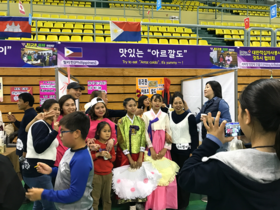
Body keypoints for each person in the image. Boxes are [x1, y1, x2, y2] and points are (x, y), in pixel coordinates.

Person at [179, 79, 280, 210]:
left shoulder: (223, 166)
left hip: (217, 143)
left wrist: (210, 142)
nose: (205, 89)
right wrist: (250, 143)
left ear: (247, 116)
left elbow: (186, 177)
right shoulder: (206, 104)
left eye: (239, 112)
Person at [26, 112, 94, 210]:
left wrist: (43, 193)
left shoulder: (81, 159)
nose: (60, 134)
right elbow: (69, 173)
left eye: (63, 131)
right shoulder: (70, 150)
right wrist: (52, 171)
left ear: (76, 133)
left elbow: (74, 194)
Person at [23, 99, 60, 210]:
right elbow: (39, 147)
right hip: (38, 171)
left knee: (39, 204)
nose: (57, 112)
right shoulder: (41, 125)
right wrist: (54, 132)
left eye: (58, 109)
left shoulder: (45, 125)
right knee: (50, 205)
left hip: (40, 170)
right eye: (54, 109)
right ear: (45, 110)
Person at [142, 94, 178, 210]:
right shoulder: (146, 115)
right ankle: (152, 204)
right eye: (154, 101)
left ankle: (164, 204)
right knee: (152, 175)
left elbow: (169, 132)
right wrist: (151, 148)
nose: (157, 103)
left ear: (162, 103)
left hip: (163, 148)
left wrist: (165, 148)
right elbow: (144, 132)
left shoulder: (165, 115)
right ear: (151, 102)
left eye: (159, 101)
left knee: (165, 174)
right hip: (151, 147)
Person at [169, 94, 198, 210]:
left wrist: (193, 152)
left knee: (184, 177)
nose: (178, 105)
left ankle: (184, 204)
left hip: (186, 152)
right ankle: (175, 202)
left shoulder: (190, 116)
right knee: (174, 178)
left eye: (180, 102)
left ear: (183, 103)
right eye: (175, 103)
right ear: (172, 104)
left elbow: (194, 135)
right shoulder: (169, 115)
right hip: (172, 151)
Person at [116, 98, 147, 209]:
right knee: (128, 179)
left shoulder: (141, 121)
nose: (133, 107)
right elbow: (121, 140)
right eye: (130, 105)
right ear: (125, 107)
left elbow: (143, 138)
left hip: (138, 153)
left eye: (135, 105)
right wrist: (129, 157)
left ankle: (138, 201)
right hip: (126, 155)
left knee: (138, 178)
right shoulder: (121, 121)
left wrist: (140, 156)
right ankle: (131, 205)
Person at [7, 93, 37, 200]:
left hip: (25, 150)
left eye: (19, 100)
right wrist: (15, 121)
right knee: (22, 171)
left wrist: (25, 150)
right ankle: (26, 192)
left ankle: (27, 194)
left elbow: (29, 134)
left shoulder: (30, 114)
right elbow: (24, 128)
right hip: (23, 148)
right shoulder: (28, 113)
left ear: (26, 103)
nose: (17, 103)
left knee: (25, 172)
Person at [196, 81, 231, 151]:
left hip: (219, 142)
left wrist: (212, 119)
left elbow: (228, 121)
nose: (205, 89)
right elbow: (196, 119)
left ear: (214, 89)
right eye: (205, 87)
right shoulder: (205, 104)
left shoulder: (221, 102)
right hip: (207, 140)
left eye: (207, 87)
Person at [91, 122, 116, 210]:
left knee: (107, 197)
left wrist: (109, 157)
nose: (107, 133)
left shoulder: (109, 145)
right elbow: (90, 158)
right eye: (104, 131)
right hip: (96, 175)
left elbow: (113, 158)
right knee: (95, 197)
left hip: (108, 175)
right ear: (98, 132)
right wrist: (98, 154)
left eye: (109, 131)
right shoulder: (94, 144)